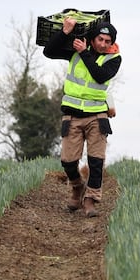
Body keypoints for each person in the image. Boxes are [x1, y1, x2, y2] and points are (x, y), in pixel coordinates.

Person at [43, 17, 121, 217]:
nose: (103, 44)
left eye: (107, 41)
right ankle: (77, 186)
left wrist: (84, 52)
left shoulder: (114, 58)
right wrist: (66, 32)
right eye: (100, 40)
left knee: (96, 162)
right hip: (72, 115)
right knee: (68, 161)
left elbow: (100, 75)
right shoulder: (76, 49)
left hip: (97, 116)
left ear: (112, 43)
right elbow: (49, 51)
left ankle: (90, 200)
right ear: (94, 38)